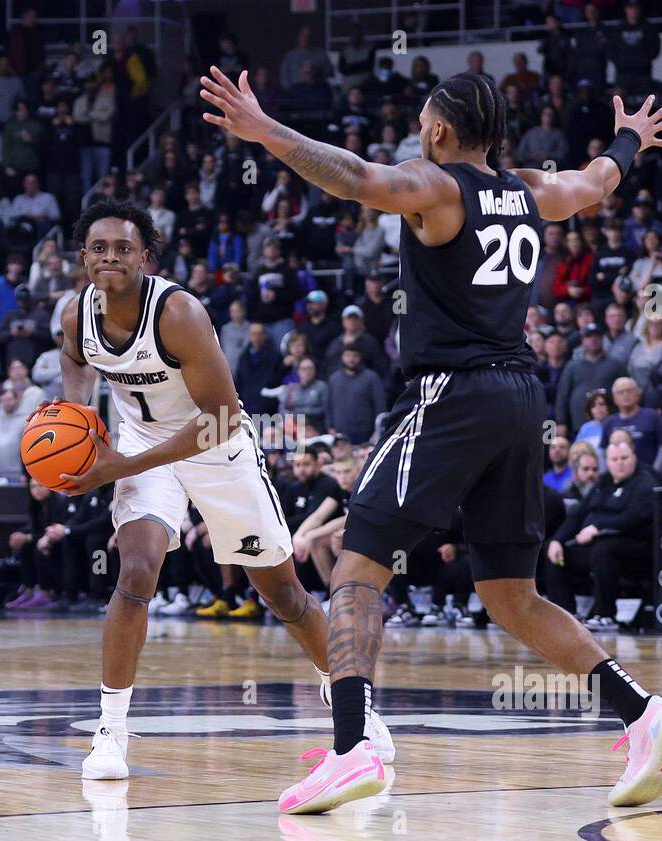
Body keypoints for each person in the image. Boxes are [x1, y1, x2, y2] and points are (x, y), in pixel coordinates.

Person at [198, 66, 662, 812]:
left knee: (356, 570)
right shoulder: (531, 190)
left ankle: (352, 748)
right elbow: (595, 183)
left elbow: (354, 176)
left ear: (437, 132)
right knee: (511, 596)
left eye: (421, 124)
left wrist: (265, 130)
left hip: (449, 394)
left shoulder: (434, 186)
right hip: (522, 397)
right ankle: (646, 714)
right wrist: (628, 140)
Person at [34, 199, 393, 781]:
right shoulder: (77, 314)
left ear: (145, 258)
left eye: (123, 248)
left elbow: (221, 417)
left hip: (217, 447)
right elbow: (75, 361)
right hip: (142, 444)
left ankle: (355, 706)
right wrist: (76, 424)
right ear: (83, 257)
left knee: (283, 595)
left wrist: (118, 466)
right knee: (136, 572)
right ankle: (110, 733)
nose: (109, 258)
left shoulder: (178, 313)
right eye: (98, 248)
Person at [543, 440, 657, 632]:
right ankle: (566, 614)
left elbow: (634, 517)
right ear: (608, 462)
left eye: (624, 458)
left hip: (632, 548)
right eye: (614, 459)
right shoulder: (602, 483)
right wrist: (557, 540)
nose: (619, 463)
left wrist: (598, 528)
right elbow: (577, 514)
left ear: (634, 458)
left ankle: (605, 615)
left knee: (603, 549)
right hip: (594, 548)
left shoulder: (645, 483)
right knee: (554, 553)